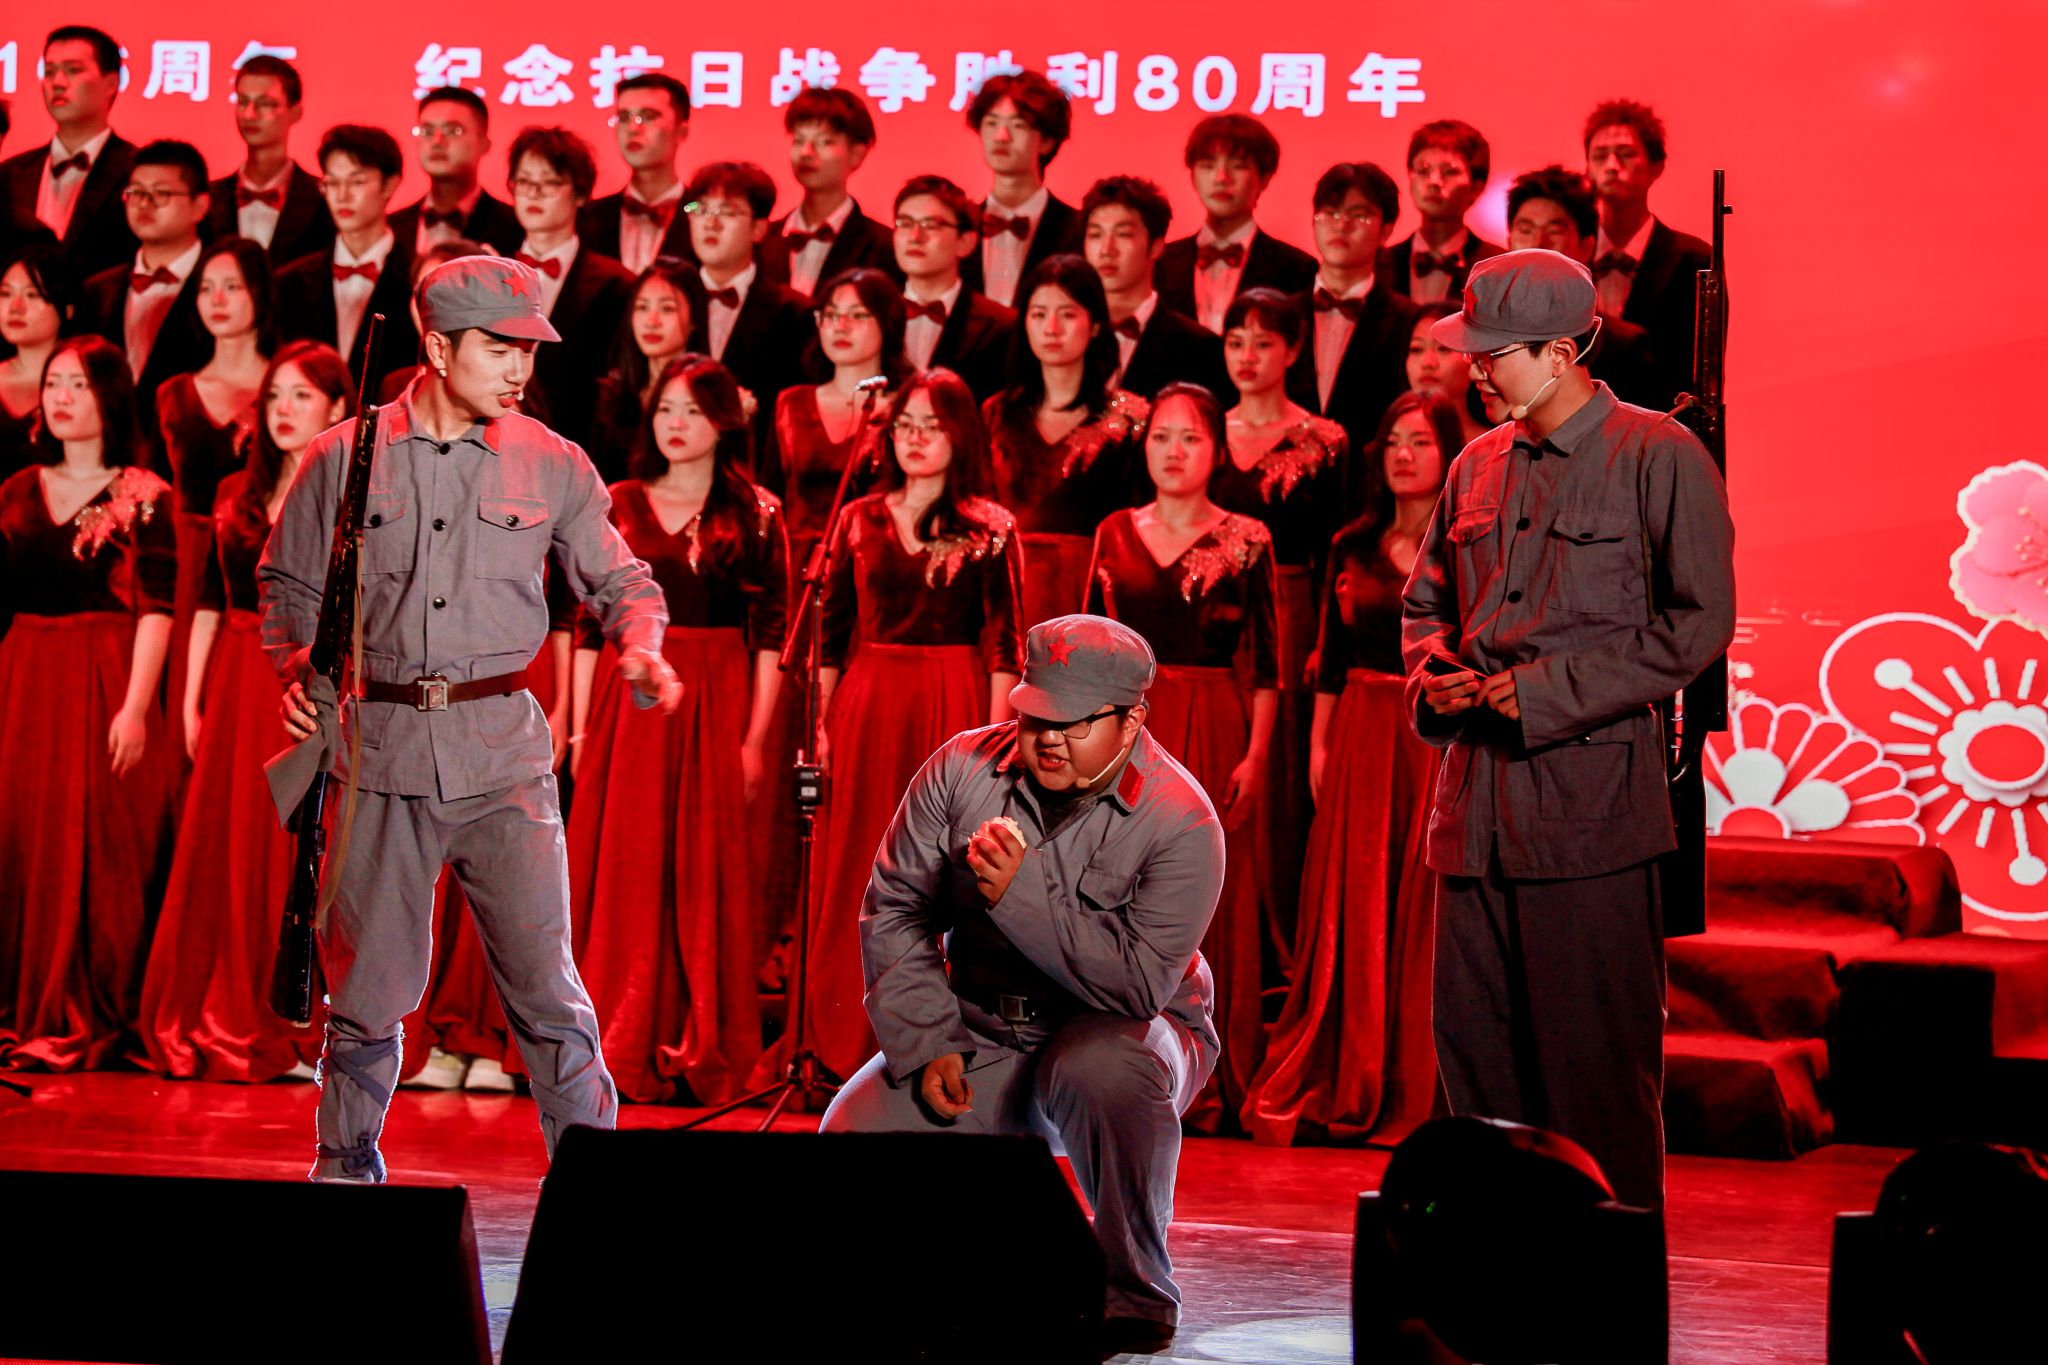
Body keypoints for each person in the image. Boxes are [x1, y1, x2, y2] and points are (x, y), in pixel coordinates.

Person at [260, 256, 682, 1181]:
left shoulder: (552, 459)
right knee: (366, 996)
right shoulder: (344, 455)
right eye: (500, 347)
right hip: (381, 753)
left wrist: (642, 646)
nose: (520, 367)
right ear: (439, 348)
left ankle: (596, 1191)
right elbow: (286, 585)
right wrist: (297, 670)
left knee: (548, 994)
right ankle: (342, 1172)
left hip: (503, 759)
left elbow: (623, 581)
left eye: (529, 349)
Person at [1402, 249, 1734, 1210]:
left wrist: (1546, 693)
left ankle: (1605, 1292)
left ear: (1561, 352)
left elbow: (1698, 623)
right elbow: (1425, 607)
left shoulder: (1657, 454)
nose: (1476, 367)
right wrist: (1438, 677)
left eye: (1496, 352)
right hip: (1474, 817)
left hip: (1591, 817)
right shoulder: (1475, 464)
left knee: (1595, 1084)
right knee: (1477, 1083)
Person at [820, 614, 1223, 1359]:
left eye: (1074, 722)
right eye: (1036, 716)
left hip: (1123, 1033)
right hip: (983, 1027)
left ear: (1132, 720)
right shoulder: (959, 770)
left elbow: (1137, 986)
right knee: (852, 1137)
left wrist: (1020, 894)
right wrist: (927, 1041)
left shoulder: (1181, 819)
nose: (1049, 739)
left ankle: (1132, 1289)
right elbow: (896, 908)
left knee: (1103, 1066)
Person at [775, 369, 1024, 1088]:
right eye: (904, 425)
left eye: (932, 426)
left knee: (944, 876)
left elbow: (1004, 645)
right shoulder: (857, 518)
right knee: (859, 867)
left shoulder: (991, 526)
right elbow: (829, 636)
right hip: (868, 701)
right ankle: (838, 1040)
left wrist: (993, 743)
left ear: (960, 436)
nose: (915, 439)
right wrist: (821, 725)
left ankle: (940, 1050)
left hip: (952, 701)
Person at [1241, 390, 1460, 1147]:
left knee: (1423, 907)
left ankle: (1415, 1082)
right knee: (1356, 901)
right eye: (1394, 440)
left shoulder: (1468, 544)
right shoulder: (1351, 544)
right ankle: (1352, 1065)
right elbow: (1329, 661)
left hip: (1433, 735)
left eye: (1420, 442)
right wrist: (1319, 744)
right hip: (1362, 732)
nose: (1404, 454)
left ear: (1449, 455)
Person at [568, 355, 788, 1103]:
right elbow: (588, 622)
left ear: (724, 421)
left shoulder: (756, 512)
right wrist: (579, 728)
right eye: (666, 408)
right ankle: (610, 1035)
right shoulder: (619, 501)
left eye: (693, 410)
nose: (676, 423)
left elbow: (770, 633)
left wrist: (755, 739)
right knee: (626, 862)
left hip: (716, 691)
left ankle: (696, 1036)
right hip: (628, 696)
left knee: (703, 864)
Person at [139, 340, 352, 1080]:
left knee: (308, 845)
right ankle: (238, 1007)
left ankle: (308, 1016)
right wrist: (191, 697)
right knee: (234, 843)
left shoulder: (355, 498)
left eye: (302, 396)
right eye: (274, 398)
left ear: (337, 407)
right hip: (237, 673)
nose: (284, 411)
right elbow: (206, 597)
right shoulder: (236, 491)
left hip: (315, 682)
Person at [1085, 382, 1277, 1133]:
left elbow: (1267, 663)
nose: (1173, 451)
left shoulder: (1249, 537)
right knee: (1116, 888)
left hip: (1215, 720)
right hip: (1125, 731)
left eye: (1190, 437)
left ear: (1216, 449)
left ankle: (1208, 1075)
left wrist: (1256, 754)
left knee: (1207, 892)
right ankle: (1117, 1070)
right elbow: (1086, 644)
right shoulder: (1112, 530)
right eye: (1161, 435)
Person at [0, 335, 175, 1071]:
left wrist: (135, 706)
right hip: (25, 673)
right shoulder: (15, 489)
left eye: (77, 383)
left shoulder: (144, 493)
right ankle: (23, 1000)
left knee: (105, 845)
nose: (61, 397)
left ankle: (94, 1003)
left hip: (107, 673)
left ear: (110, 395)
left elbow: (158, 608)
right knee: (23, 835)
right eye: (53, 383)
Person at [1215, 288, 1348, 974]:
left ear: (1294, 349)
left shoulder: (1325, 439)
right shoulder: (1203, 430)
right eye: (1235, 341)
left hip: (1293, 611)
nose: (1247, 356)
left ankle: (1278, 947)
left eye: (1263, 342)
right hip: (1214, 617)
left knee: (1282, 772)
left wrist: (1323, 637)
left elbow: (1334, 552)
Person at [153, 235, 276, 731]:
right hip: (186, 560)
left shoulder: (285, 391)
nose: (216, 300)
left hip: (253, 554)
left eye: (232, 286)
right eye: (206, 288)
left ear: (259, 293)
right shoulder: (173, 394)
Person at [985, 254, 1148, 628]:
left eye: (1068, 314)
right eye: (1038, 314)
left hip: (1095, 600)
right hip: (1009, 597)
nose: (1052, 328)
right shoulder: (996, 414)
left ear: (1095, 325)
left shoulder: (1131, 420)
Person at [760, 267, 905, 566]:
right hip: (796, 567)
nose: (841, 326)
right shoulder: (791, 404)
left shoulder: (904, 410)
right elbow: (769, 495)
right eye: (830, 315)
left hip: (872, 564)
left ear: (887, 323)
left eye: (858, 315)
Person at [506, 125, 635, 449]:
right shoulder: (490, 272)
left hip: (578, 447)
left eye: (550, 182)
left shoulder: (616, 286)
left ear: (580, 194)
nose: (534, 193)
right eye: (524, 181)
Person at [1282, 162, 1417, 467]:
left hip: (1370, 476)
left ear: (1386, 230)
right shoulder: (1282, 315)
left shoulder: (1407, 320)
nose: (1341, 225)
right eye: (1330, 213)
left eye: (1359, 215)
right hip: (1285, 476)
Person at [1584, 98, 1712, 410]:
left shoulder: (1693, 260)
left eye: (1626, 154)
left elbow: (1697, 376)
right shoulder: (1569, 253)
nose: (1611, 166)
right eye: (1599, 155)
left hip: (1659, 424)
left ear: (1656, 166)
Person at [274, 124, 418, 393]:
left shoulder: (416, 280)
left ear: (390, 184)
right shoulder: (288, 283)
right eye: (332, 183)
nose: (342, 196)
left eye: (357, 182)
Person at [81, 140, 212, 435]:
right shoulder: (97, 291)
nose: (144, 203)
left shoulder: (222, 287)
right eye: (136, 192)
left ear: (200, 206)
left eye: (161, 193)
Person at [1505, 165, 1663, 406]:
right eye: (1525, 231)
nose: (1538, 243)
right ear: (1508, 243)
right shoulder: (1489, 336)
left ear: (1587, 247)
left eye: (1554, 231)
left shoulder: (1623, 346)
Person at [684, 161, 812, 437]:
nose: (711, 223)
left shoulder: (794, 313)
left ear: (759, 229)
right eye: (700, 209)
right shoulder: (672, 298)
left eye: (728, 212)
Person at [1156, 115, 1316, 334]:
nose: (1221, 178)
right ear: (1192, 176)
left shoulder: (1297, 268)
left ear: (1264, 178)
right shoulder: (1161, 263)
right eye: (1208, 165)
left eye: (1238, 166)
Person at [0, 26, 137, 280]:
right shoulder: (9, 175)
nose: (58, 82)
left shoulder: (137, 173)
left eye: (73, 70)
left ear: (111, 83)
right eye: (49, 72)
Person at [1081, 175, 1232, 402]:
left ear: (1156, 247)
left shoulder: (1200, 348)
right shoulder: (1064, 333)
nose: (1106, 249)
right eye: (1095, 235)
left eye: (1123, 234)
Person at [960, 72, 1082, 308]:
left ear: (1047, 141)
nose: (1001, 136)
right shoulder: (959, 226)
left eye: (1017, 125)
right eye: (991, 123)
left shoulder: (1078, 230)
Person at [760, 88, 894, 296]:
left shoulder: (884, 246)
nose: (806, 153)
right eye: (799, 141)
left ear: (857, 154)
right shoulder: (762, 240)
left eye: (823, 142)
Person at [892, 174, 1013, 400]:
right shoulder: (873, 314)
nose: (915, 236)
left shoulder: (1001, 326)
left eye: (931, 225)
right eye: (905, 223)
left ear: (965, 242)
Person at [204, 55, 334, 265]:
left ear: (295, 112)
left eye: (265, 104)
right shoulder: (207, 198)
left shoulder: (323, 200)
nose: (249, 114)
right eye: (242, 102)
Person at [590, 261, 707, 484]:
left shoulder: (709, 394)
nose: (651, 322)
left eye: (667, 309)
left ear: (694, 319)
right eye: (642, 307)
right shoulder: (613, 394)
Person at [581, 73, 695, 274]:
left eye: (648, 116)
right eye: (624, 118)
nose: (633, 128)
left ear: (681, 131)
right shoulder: (587, 217)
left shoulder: (701, 215)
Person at [1378, 120, 1501, 303]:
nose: (1434, 182)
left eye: (1450, 172)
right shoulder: (1378, 263)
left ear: (1476, 187)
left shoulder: (1498, 266)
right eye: (1423, 171)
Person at [388, 88, 521, 256]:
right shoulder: (391, 228)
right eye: (427, 131)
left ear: (484, 143)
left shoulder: (517, 226)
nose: (437, 141)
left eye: (453, 130)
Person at [0, 245, 77, 482]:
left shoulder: (90, 383)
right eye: (5, 294)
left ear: (68, 309)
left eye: (32, 295)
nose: (15, 307)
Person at [1404, 300, 1491, 445]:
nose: (1427, 363)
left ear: (1474, 357)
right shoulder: (1383, 449)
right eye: (1416, 349)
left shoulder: (1500, 449)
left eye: (1443, 349)